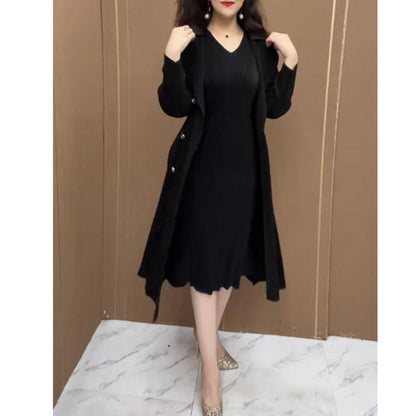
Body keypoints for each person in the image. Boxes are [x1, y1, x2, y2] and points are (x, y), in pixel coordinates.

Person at [138, 1, 298, 414]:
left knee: (229, 262)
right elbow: (174, 105)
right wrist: (171, 57)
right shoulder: (192, 42)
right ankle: (210, 373)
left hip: (245, 174)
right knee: (206, 269)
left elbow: (274, 107)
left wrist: (290, 64)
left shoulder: (260, 47)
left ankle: (206, 338)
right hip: (201, 173)